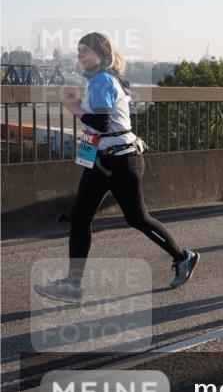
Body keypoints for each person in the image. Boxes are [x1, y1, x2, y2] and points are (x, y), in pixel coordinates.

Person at [34, 33, 200, 304]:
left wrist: (74, 108)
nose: (80, 56)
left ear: (101, 53)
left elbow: (100, 123)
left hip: (121, 161)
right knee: (80, 218)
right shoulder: (106, 79)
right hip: (102, 159)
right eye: (78, 51)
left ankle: (183, 257)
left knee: (137, 218)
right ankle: (73, 285)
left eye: (85, 51)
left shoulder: (102, 80)